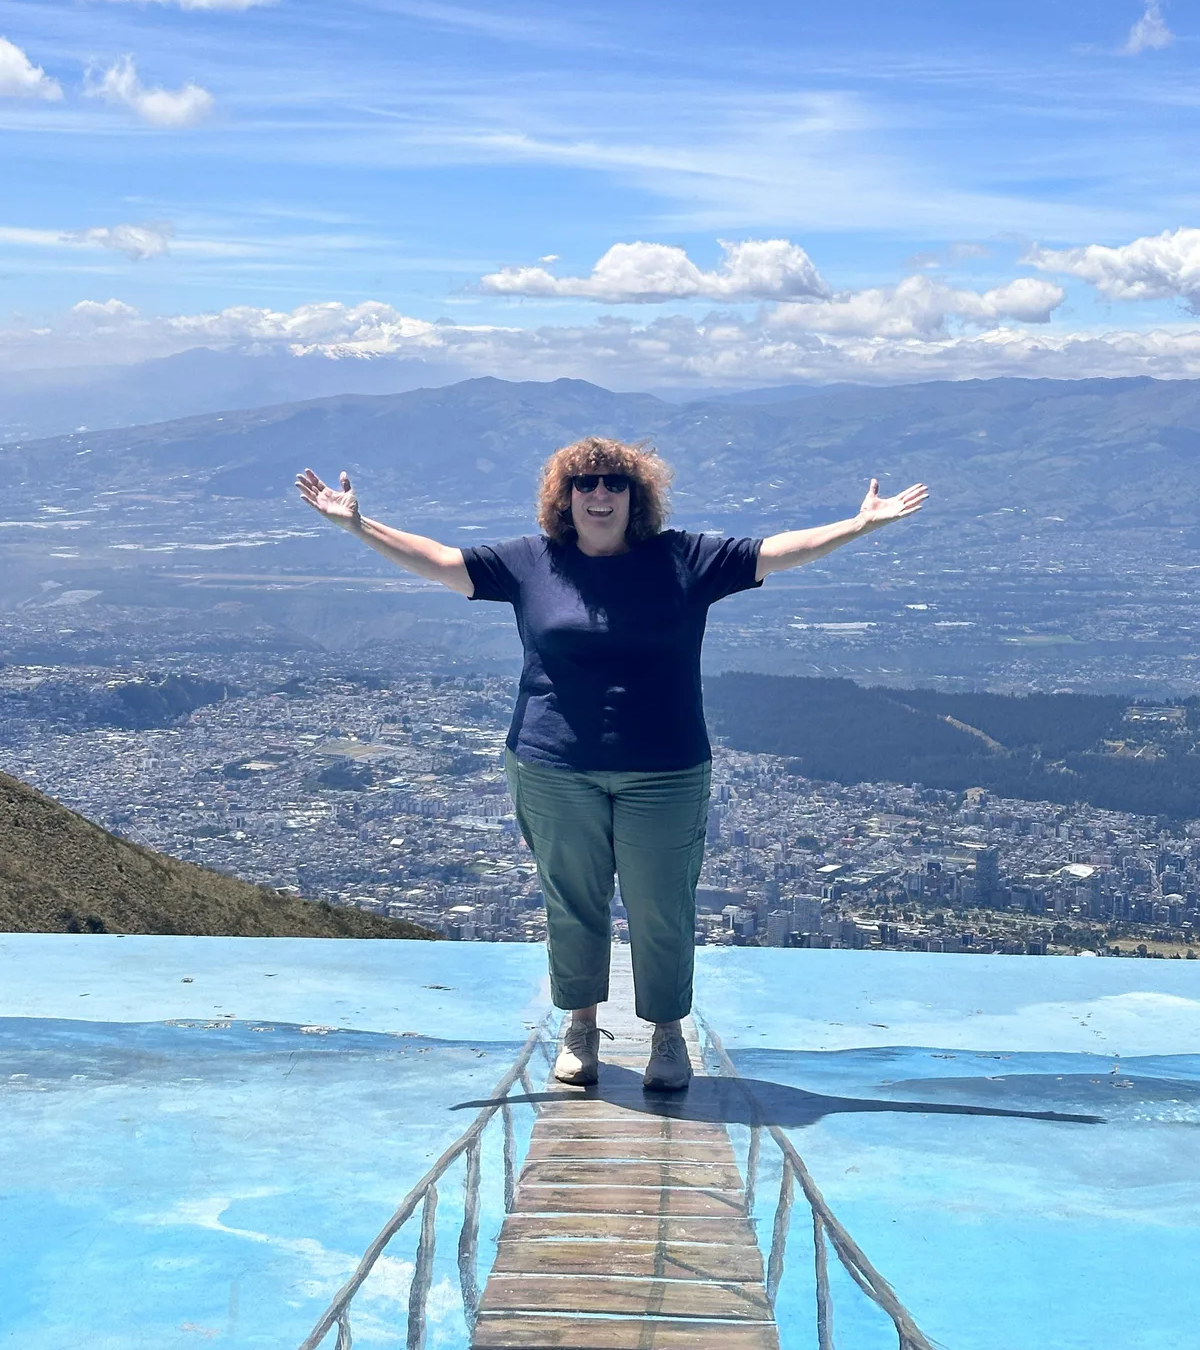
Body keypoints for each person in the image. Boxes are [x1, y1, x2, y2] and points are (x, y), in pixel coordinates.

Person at [296, 438, 927, 1090]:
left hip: (666, 768)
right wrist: (359, 526)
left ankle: (666, 1035)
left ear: (638, 496)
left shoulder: (685, 559)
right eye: (587, 483)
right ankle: (580, 1027)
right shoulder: (531, 562)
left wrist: (857, 525)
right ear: (565, 496)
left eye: (615, 484)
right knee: (573, 904)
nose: (600, 495)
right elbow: (440, 562)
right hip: (552, 765)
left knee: (662, 907)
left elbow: (777, 551)